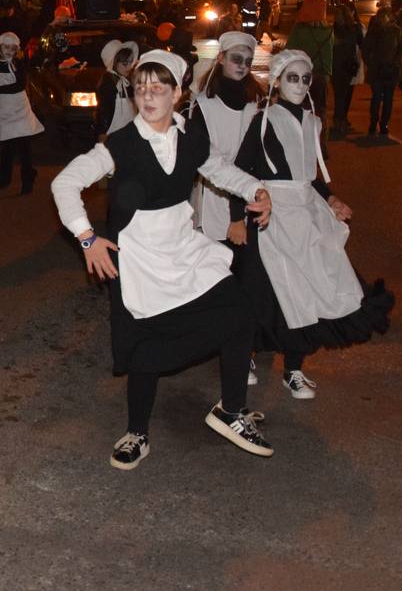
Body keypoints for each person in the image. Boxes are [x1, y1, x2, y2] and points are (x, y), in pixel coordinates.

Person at [50, 49, 275, 470]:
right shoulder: (119, 144)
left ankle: (230, 410)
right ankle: (137, 432)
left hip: (183, 247)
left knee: (241, 311)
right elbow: (65, 184)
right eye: (140, 88)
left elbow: (219, 170)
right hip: (139, 257)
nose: (148, 96)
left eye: (158, 88)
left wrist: (255, 190)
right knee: (145, 349)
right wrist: (87, 238)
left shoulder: (190, 137)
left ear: (178, 93)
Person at [230, 49, 393, 399]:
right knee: (263, 295)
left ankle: (293, 367)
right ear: (276, 81)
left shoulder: (312, 121)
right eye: (293, 78)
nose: (301, 85)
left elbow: (309, 176)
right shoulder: (264, 120)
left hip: (306, 214)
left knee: (310, 290)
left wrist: (331, 199)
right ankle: (245, 358)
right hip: (269, 214)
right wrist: (236, 219)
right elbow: (239, 173)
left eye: (306, 79)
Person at [189, 31, 263, 247]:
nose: (242, 66)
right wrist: (235, 218)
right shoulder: (202, 105)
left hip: (251, 191)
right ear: (221, 58)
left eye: (248, 62)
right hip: (215, 193)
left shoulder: (258, 102)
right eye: (236, 59)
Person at [0, 32, 44, 194]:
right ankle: (5, 178)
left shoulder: (19, 63)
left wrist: (1, 90)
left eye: (13, 48)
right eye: (6, 47)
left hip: (20, 108)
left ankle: (27, 179)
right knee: (7, 146)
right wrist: (1, 91)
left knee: (24, 146)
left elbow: (19, 86)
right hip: (5, 109)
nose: (9, 51)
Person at [285, 0, 333, 118]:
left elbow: (289, 52)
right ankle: (319, 135)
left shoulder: (299, 30)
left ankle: (301, 135)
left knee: (301, 109)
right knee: (319, 110)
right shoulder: (329, 32)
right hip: (322, 76)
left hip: (302, 76)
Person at [362, 6, 402, 138]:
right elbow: (365, 49)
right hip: (377, 70)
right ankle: (373, 122)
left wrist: (396, 61)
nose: (382, 19)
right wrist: (370, 62)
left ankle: (384, 123)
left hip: (391, 70)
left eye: (384, 16)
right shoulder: (374, 32)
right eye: (380, 16)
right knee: (376, 98)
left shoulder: (396, 31)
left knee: (388, 99)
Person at [329, 5, 364, 137]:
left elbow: (362, 44)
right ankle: (340, 119)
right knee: (342, 94)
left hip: (341, 65)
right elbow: (362, 44)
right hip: (343, 65)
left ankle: (339, 119)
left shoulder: (337, 29)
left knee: (341, 93)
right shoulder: (352, 29)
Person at [95, 39, 139, 141]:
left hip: (127, 135)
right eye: (125, 63)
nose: (129, 66)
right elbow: (104, 110)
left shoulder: (125, 81)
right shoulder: (109, 83)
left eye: (130, 62)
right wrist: (102, 133)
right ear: (114, 63)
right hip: (113, 136)